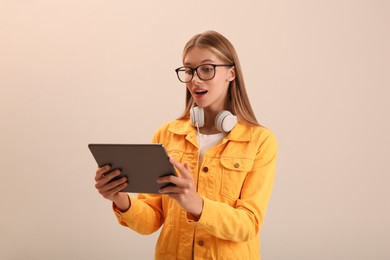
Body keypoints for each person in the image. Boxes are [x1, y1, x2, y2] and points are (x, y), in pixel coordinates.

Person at [94, 30, 278, 260]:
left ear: (231, 73)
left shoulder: (260, 141)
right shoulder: (166, 134)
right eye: (189, 70)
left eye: (207, 69)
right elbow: (150, 221)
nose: (195, 79)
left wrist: (197, 205)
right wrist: (120, 198)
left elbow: (248, 225)